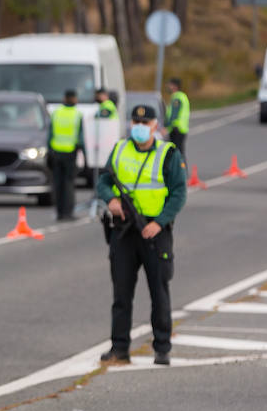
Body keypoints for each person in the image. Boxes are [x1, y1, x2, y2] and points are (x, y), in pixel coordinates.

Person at [97, 103, 187, 367]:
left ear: (155, 126)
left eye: (145, 124)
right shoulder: (121, 149)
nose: (139, 127)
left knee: (159, 291)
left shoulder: (168, 154)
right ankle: (119, 348)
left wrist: (159, 222)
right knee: (121, 294)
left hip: (154, 232)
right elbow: (103, 180)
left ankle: (162, 348)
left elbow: (179, 192)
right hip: (123, 232)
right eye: (135, 123)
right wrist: (110, 199)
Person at [48, 89, 86, 221]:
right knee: (69, 184)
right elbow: (81, 138)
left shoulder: (56, 113)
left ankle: (59, 212)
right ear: (74, 99)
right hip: (70, 152)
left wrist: (50, 152)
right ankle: (68, 213)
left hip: (56, 152)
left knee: (58, 184)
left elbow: (50, 134)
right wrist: (84, 155)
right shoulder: (77, 114)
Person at [165, 78, 191, 158]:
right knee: (179, 152)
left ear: (175, 86)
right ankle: (182, 169)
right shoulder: (180, 96)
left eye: (170, 85)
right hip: (180, 129)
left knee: (177, 153)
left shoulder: (177, 97)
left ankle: (181, 169)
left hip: (176, 129)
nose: (168, 86)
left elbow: (174, 114)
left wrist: (166, 126)